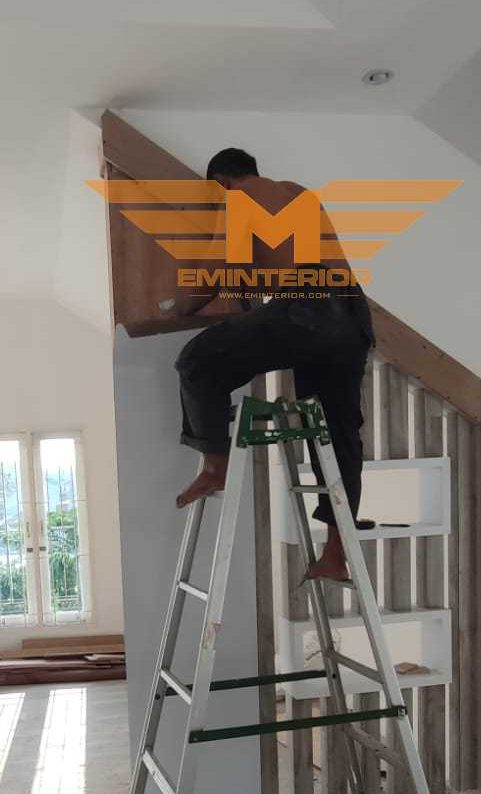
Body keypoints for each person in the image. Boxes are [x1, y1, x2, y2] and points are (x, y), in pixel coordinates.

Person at [165, 147, 374, 582]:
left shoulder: (239, 199)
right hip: (351, 313)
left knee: (196, 361)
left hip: (308, 309)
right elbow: (254, 274)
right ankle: (335, 555)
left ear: (221, 182)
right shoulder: (298, 194)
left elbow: (210, 278)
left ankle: (215, 468)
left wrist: (176, 307)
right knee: (337, 433)